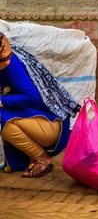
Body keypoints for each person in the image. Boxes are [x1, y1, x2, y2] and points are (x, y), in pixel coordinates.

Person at [0, 32, 79, 177]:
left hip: (53, 127)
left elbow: (31, 97)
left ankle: (41, 157)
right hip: (36, 120)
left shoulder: (11, 65)